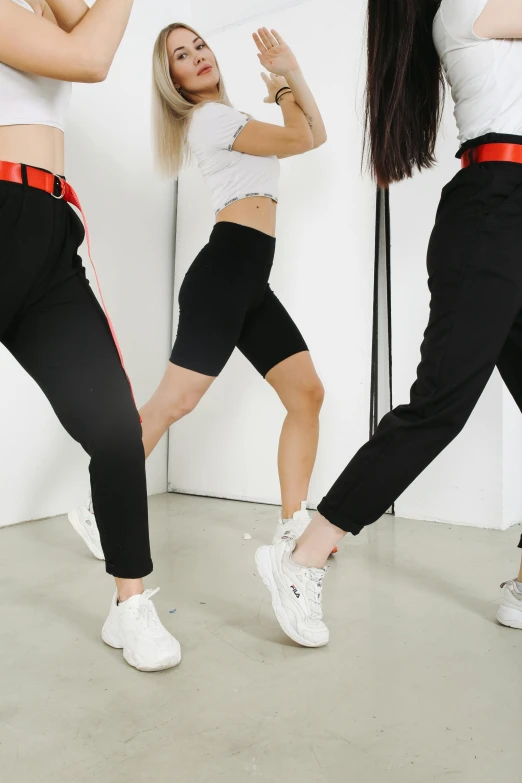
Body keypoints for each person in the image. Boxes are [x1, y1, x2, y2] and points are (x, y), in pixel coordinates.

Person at [255, 0, 522, 647]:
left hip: (507, 213)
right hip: (494, 212)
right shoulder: (465, 8)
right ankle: (302, 557)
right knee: (439, 408)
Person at [68, 22, 331, 559]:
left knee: (306, 394)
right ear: (174, 80)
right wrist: (287, 83)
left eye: (200, 46)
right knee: (174, 402)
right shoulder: (209, 119)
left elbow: (316, 135)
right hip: (223, 276)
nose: (198, 57)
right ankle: (97, 505)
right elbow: (303, 136)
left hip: (249, 278)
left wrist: (288, 82)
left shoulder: (230, 116)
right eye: (182, 56)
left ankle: (291, 528)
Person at [0, 0, 180, 671]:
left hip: (47, 230)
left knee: (113, 428)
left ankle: (129, 604)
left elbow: (84, 24)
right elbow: (90, 57)